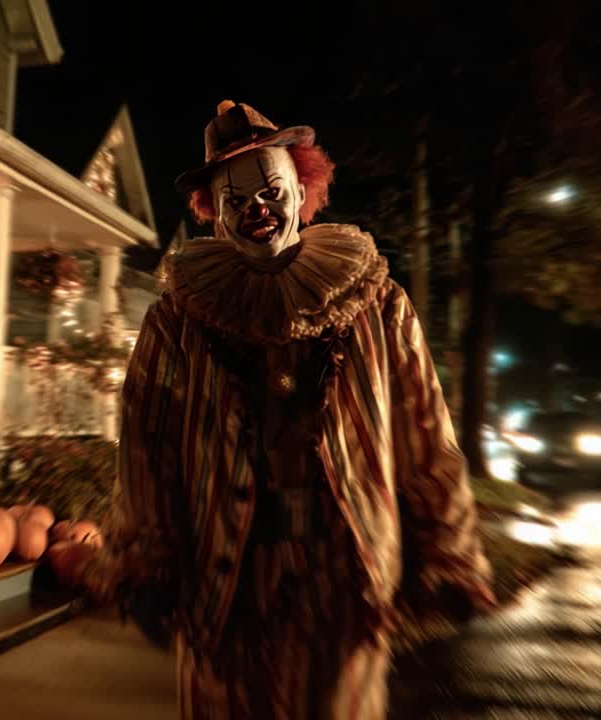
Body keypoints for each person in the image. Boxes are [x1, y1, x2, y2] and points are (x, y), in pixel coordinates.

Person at [67, 101, 495, 719]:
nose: (256, 209)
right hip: (224, 580)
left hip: (343, 576)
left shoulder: (377, 303)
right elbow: (147, 450)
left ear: (302, 188)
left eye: (270, 190)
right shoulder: (177, 320)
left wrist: (447, 551)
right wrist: (144, 563)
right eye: (236, 200)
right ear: (214, 212)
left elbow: (425, 433)